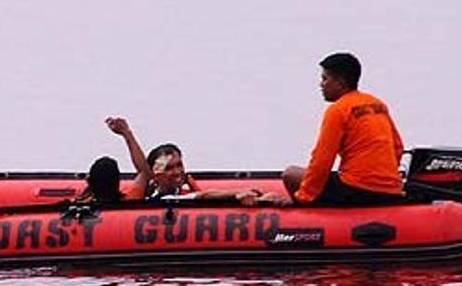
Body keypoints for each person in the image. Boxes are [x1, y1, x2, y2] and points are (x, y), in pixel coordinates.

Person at [264, 52, 406, 207]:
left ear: (340, 82)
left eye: (325, 79)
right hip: (391, 190)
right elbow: (397, 147)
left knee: (290, 174)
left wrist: (302, 197)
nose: (321, 84)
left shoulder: (338, 110)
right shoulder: (378, 104)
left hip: (357, 190)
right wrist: (384, 179)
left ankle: (310, 219)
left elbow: (322, 160)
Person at [106, 118, 260, 205]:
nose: (178, 172)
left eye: (179, 165)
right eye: (170, 168)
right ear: (157, 174)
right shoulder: (155, 197)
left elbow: (204, 195)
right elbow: (203, 196)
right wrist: (127, 134)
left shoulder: (185, 192)